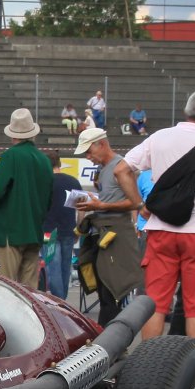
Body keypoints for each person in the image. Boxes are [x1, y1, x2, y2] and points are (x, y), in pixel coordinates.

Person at [123, 88, 195, 343]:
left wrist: (140, 204)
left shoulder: (159, 137)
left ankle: (148, 359)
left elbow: (122, 169)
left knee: (156, 303)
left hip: (161, 229)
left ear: (186, 111)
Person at [72, 129, 144, 323]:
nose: (88, 157)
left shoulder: (119, 167)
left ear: (101, 144)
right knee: (105, 292)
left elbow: (136, 202)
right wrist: (95, 202)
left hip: (115, 235)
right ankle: (108, 336)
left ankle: (110, 336)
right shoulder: (104, 169)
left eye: (89, 151)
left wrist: (101, 205)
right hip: (104, 232)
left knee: (111, 292)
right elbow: (115, 199)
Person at [0, 110, 52, 287]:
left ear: (12, 134)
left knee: (5, 288)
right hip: (34, 232)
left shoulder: (10, 155)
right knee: (29, 291)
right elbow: (48, 198)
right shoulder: (44, 160)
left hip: (10, 232)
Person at [42, 151, 82, 300]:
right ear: (59, 163)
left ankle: (58, 300)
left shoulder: (43, 182)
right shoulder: (73, 181)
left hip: (48, 231)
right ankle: (63, 300)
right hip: (69, 229)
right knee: (66, 268)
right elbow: (82, 207)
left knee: (53, 268)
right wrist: (79, 228)